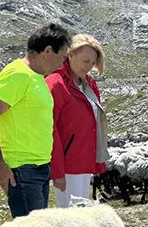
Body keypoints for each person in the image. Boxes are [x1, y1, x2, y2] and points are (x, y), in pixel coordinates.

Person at [0, 23, 71, 218]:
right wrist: (0, 165)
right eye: (62, 57)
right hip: (22, 170)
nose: (62, 65)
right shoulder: (18, 74)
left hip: (39, 168)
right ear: (48, 51)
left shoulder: (37, 77)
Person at [46, 34, 110, 208]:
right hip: (68, 165)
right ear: (70, 54)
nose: (88, 67)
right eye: (85, 61)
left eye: (92, 63)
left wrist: (97, 162)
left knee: (80, 213)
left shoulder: (88, 84)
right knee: (70, 216)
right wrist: (57, 170)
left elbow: (93, 126)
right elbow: (50, 130)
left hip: (84, 161)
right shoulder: (56, 84)